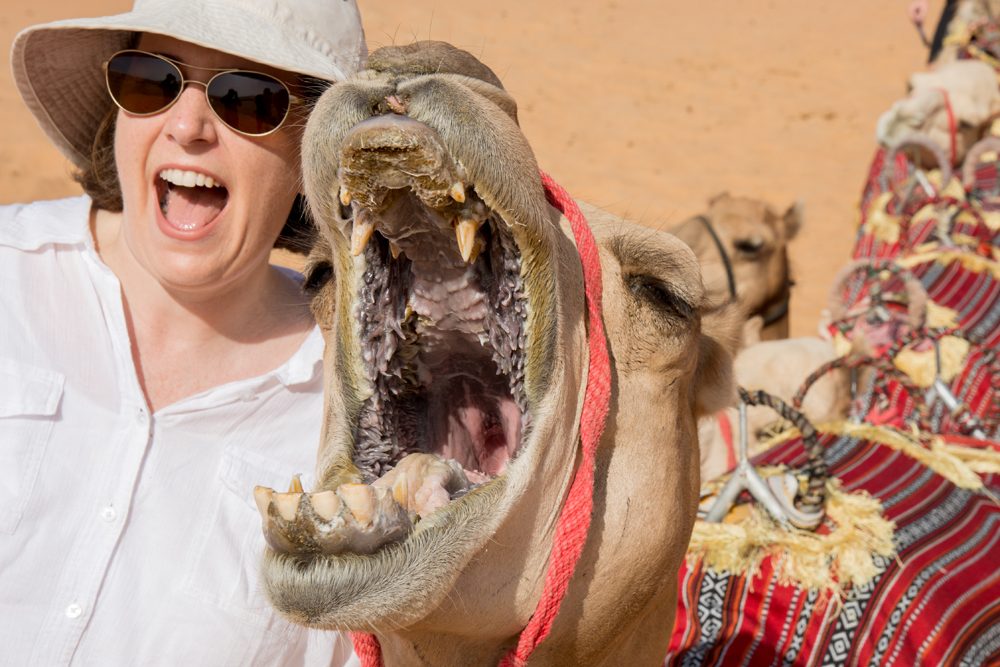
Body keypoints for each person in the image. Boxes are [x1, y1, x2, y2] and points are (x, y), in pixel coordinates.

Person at [0, 0, 366, 663]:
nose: (189, 125)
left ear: (321, 157)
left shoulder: (351, 429)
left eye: (248, 99)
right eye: (151, 80)